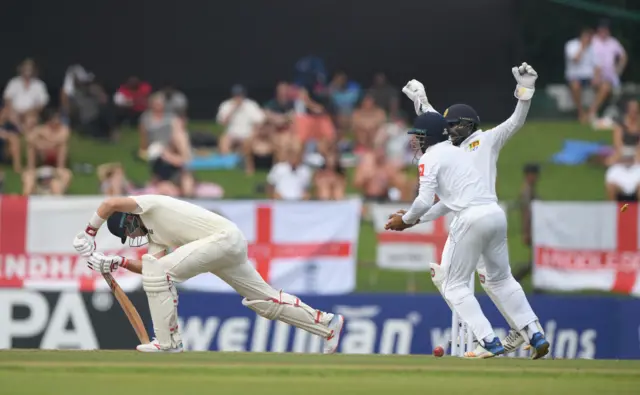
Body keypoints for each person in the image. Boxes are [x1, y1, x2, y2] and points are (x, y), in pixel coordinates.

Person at [397, 63, 549, 359]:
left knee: (455, 283)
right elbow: (435, 128)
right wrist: (421, 100)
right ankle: (531, 331)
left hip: (470, 220)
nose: (449, 129)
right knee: (496, 281)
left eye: (454, 125)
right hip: (487, 217)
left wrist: (525, 92)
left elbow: (515, 122)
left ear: (467, 124)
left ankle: (491, 339)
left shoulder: (486, 140)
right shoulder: (450, 149)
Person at [72, 194, 345, 353]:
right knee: (265, 301)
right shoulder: (155, 237)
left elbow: (108, 204)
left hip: (222, 240)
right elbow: (151, 267)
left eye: (128, 231)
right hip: (225, 245)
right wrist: (116, 263)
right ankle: (326, 324)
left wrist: (88, 232)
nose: (131, 236)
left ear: (128, 218)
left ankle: (168, 343)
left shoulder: (147, 204)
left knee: (159, 273)